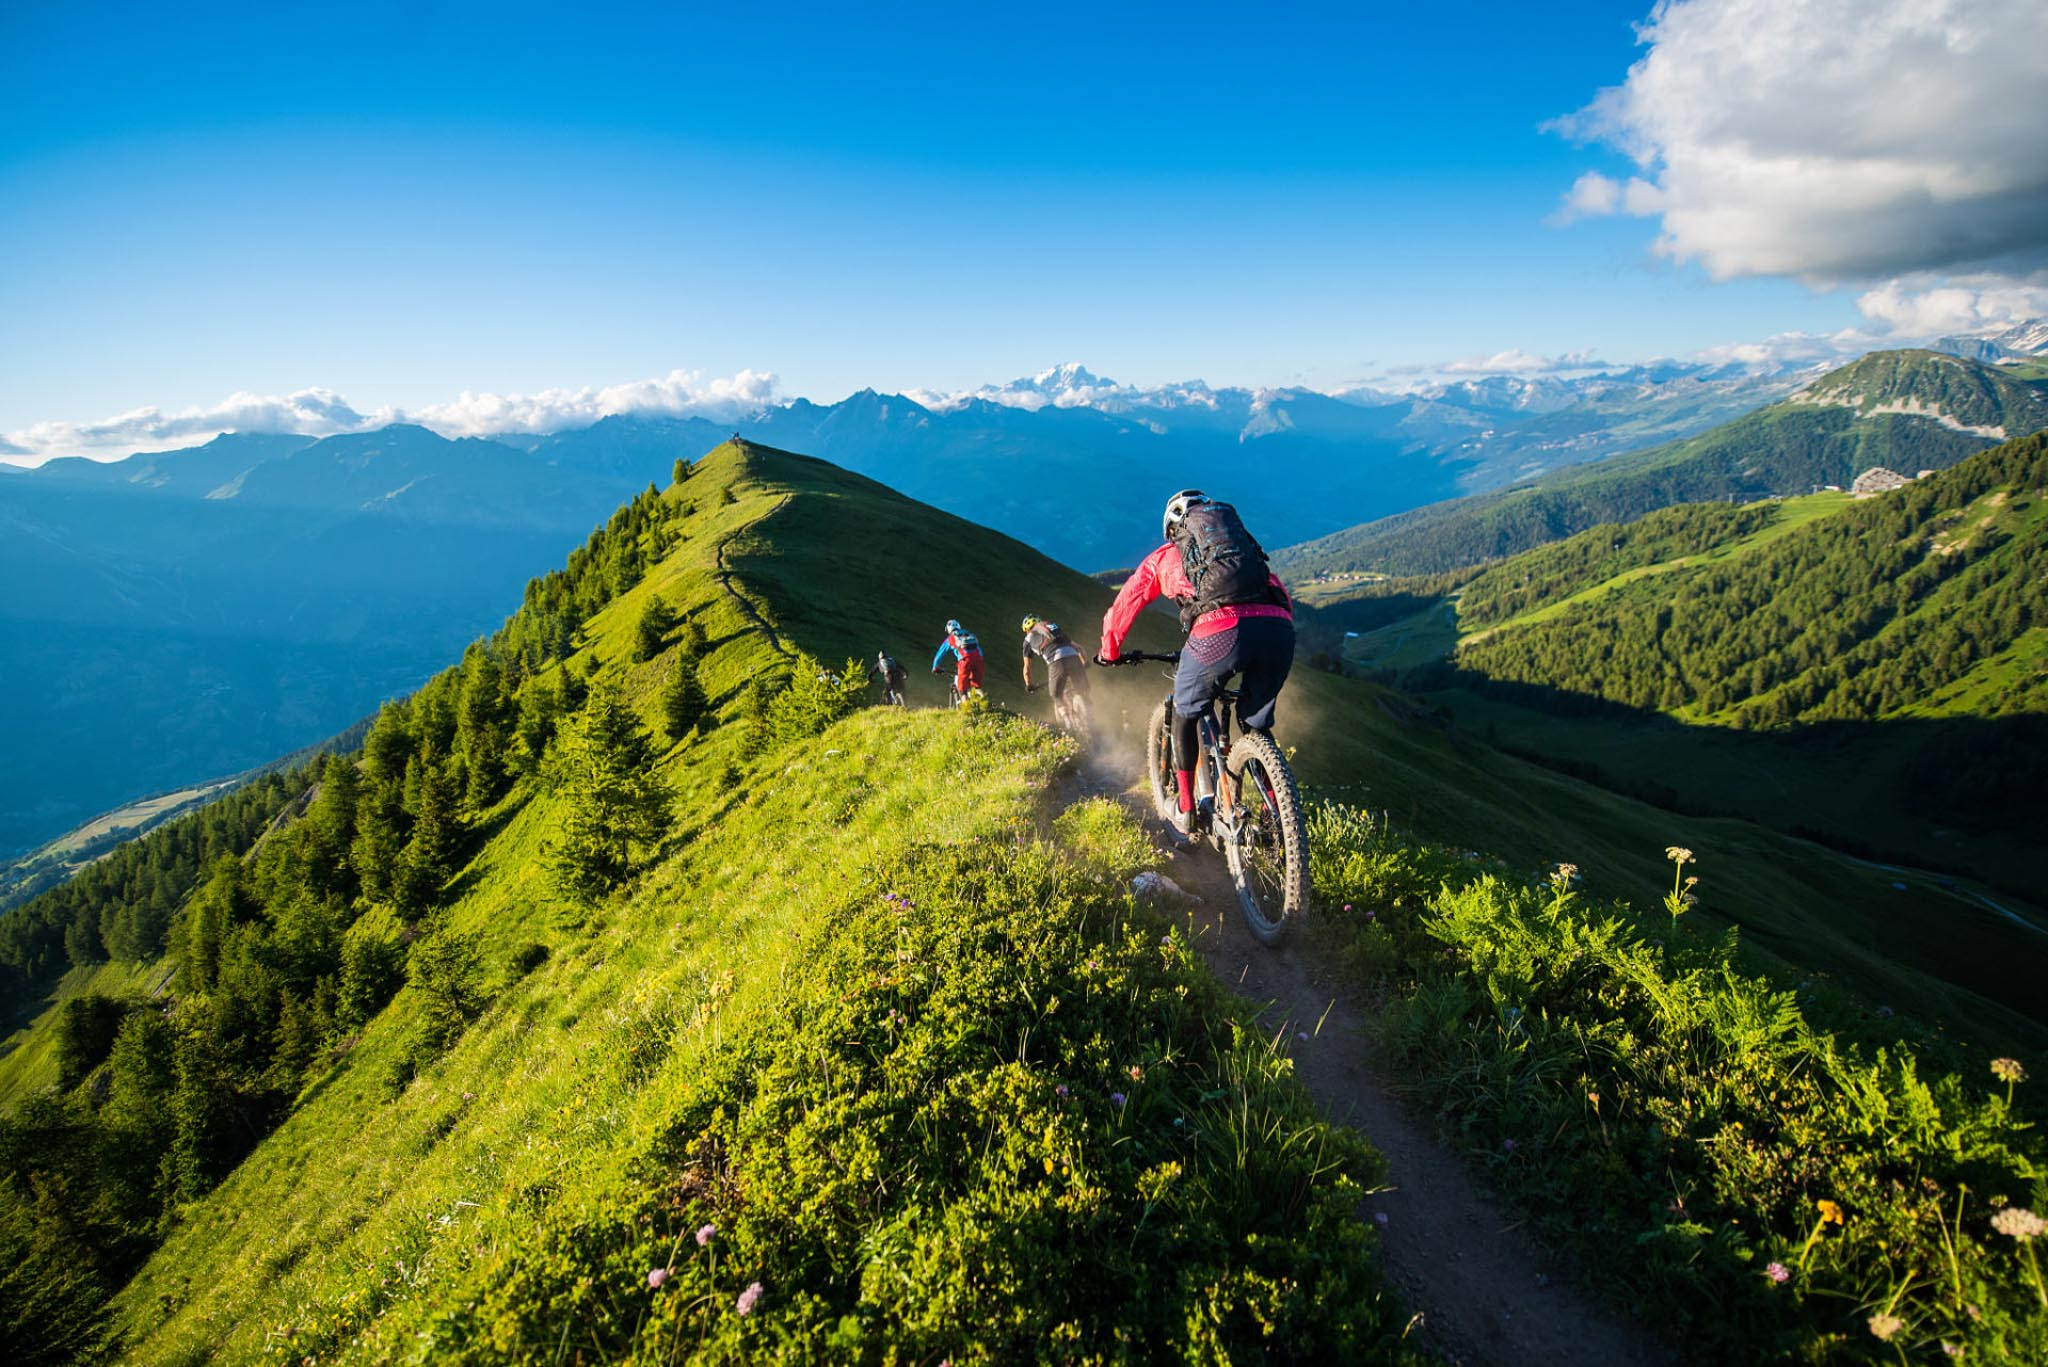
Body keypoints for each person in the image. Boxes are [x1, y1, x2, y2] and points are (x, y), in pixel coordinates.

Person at [1097, 490, 1293, 828]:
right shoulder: (1243, 553)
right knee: (1256, 723)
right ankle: (1277, 819)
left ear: (1174, 530)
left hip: (1217, 633)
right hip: (1278, 629)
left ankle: (1185, 810)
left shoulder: (1163, 557)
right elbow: (1280, 594)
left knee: (1185, 713)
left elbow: (1125, 604)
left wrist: (1109, 652)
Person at [1020, 615, 1088, 708]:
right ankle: (1088, 709)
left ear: (1027, 630)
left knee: (1056, 696)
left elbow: (1026, 667)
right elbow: (1079, 648)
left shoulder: (1028, 640)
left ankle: (1067, 721)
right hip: (1074, 657)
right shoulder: (1053, 628)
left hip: (1057, 662)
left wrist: (1029, 685)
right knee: (1083, 690)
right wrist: (1084, 663)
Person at [930, 619, 985, 702]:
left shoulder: (950, 638)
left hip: (965, 661)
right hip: (979, 661)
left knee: (962, 688)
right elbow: (979, 651)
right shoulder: (969, 634)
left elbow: (940, 654)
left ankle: (966, 710)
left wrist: (935, 667)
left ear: (948, 630)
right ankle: (984, 702)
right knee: (975, 686)